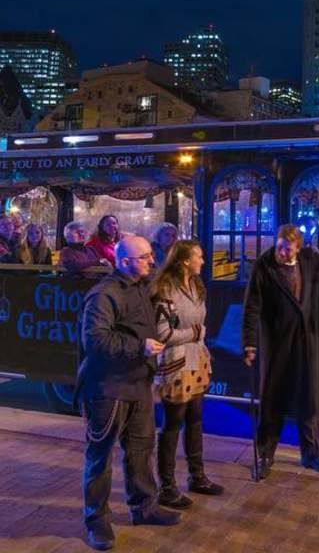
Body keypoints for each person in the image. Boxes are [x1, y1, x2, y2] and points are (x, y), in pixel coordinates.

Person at [77, 235, 181, 551]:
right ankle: (97, 520)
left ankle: (144, 507)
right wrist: (140, 346)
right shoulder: (104, 295)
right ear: (125, 262)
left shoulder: (138, 287)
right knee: (100, 456)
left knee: (140, 448)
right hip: (108, 388)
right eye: (146, 257)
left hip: (137, 384)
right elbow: (94, 341)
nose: (153, 261)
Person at [242, 223, 319, 480]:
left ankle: (312, 453)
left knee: (309, 397)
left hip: (305, 339)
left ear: (298, 247)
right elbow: (252, 306)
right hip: (276, 341)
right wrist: (250, 343)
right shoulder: (264, 265)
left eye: (287, 248)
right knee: (272, 398)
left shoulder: (308, 259)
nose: (281, 252)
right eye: (280, 246)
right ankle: (264, 454)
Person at [152, 240, 222, 509]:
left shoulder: (195, 284)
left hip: (197, 359)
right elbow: (162, 334)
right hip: (176, 363)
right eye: (199, 257)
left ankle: (197, 476)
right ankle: (167, 486)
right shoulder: (166, 288)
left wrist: (199, 340)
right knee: (173, 423)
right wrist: (194, 334)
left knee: (195, 418)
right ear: (184, 260)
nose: (203, 261)